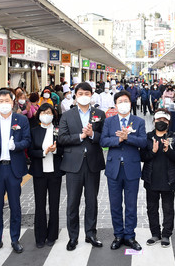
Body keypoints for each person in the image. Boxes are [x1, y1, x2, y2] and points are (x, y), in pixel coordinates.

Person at [57, 82, 106, 251]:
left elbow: (104, 137)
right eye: (80, 93)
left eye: (87, 93)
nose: (84, 95)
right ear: (75, 95)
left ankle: (91, 233)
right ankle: (73, 236)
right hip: (73, 164)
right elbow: (62, 138)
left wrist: (93, 135)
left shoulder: (99, 114)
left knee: (92, 201)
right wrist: (80, 135)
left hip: (93, 162)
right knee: (72, 202)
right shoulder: (67, 115)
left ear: (91, 95)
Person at [0, 89, 31, 255]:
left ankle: (15, 239)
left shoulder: (21, 120)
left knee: (15, 206)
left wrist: (16, 146)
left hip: (13, 168)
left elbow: (27, 140)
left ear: (13, 102)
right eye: (0, 101)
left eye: (7, 101)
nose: (4, 104)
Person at [100, 91, 147, 251]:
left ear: (130, 103)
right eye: (120, 101)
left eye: (126, 101)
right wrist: (118, 139)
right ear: (115, 104)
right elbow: (103, 140)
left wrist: (128, 138)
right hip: (113, 168)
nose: (123, 103)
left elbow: (143, 142)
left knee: (131, 204)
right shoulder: (109, 121)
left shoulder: (138, 121)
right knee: (115, 204)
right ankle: (118, 234)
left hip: (132, 168)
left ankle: (130, 235)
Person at [141, 109, 175, 248]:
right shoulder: (148, 137)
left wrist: (167, 150)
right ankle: (155, 233)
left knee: (168, 208)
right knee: (152, 208)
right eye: (158, 120)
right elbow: (142, 157)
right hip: (151, 178)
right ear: (154, 121)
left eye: (164, 120)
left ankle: (166, 234)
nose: (161, 123)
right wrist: (152, 152)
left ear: (168, 123)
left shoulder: (174, 137)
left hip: (168, 178)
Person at [29, 104, 64, 248]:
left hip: (55, 172)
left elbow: (64, 149)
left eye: (49, 112)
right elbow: (30, 152)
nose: (46, 114)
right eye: (43, 112)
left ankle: (52, 235)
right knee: (40, 205)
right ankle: (40, 236)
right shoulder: (34, 131)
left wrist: (55, 150)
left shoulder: (58, 130)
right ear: (38, 114)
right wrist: (44, 152)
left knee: (54, 205)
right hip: (39, 172)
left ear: (53, 114)